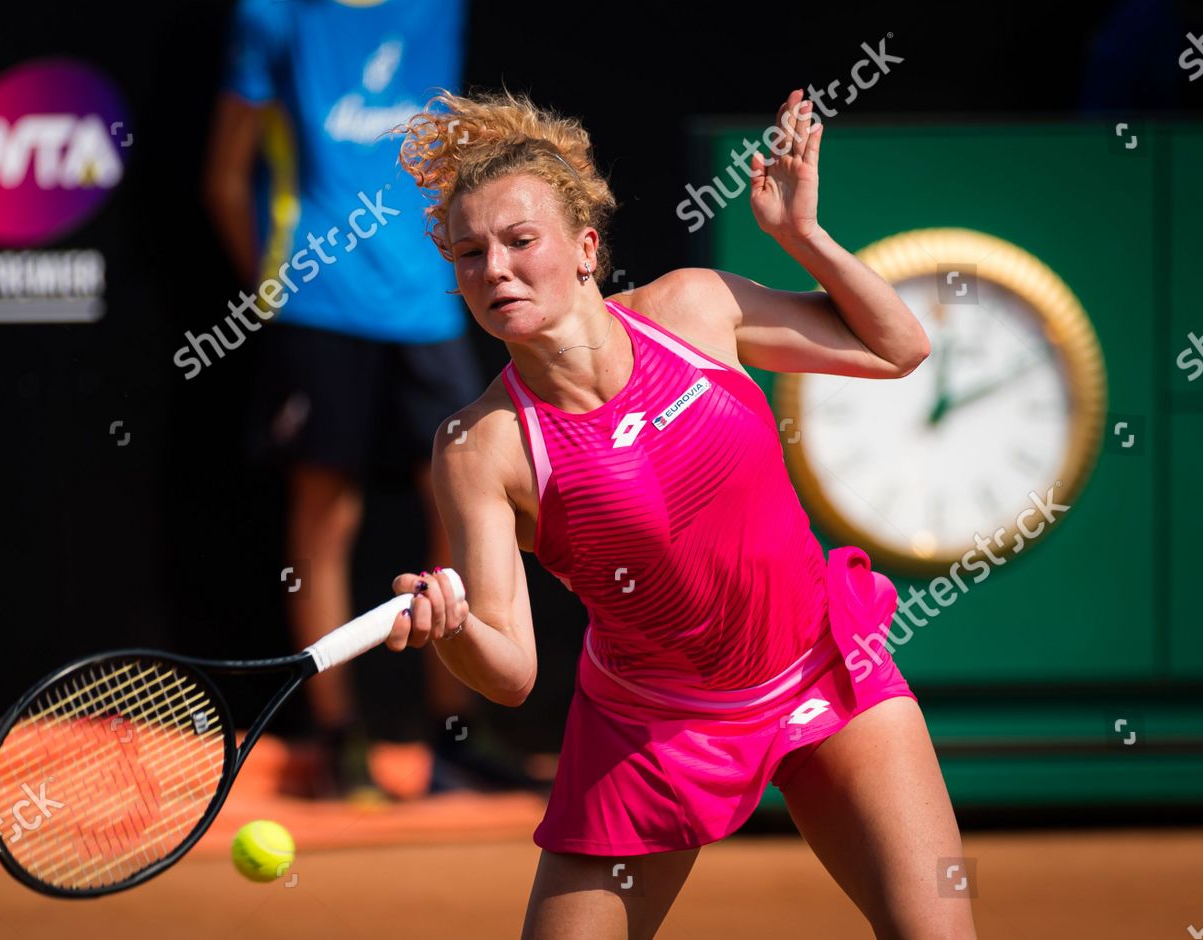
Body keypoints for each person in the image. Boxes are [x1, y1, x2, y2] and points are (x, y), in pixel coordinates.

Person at [381, 87, 978, 938]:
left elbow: (899, 347)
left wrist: (800, 237)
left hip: (821, 668)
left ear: (586, 248)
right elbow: (510, 672)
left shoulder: (694, 310)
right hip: (651, 729)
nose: (496, 270)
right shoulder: (481, 447)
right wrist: (454, 624)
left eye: (520, 242)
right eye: (471, 254)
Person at [203, 0, 543, 802]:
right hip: (319, 306)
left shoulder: (439, 9)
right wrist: (278, 295)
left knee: (464, 509)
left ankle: (455, 742)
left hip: (428, 308)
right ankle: (338, 744)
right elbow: (223, 176)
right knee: (327, 520)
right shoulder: (273, 15)